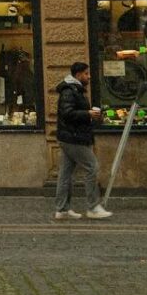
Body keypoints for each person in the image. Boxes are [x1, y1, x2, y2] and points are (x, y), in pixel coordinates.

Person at [53, 60, 108, 220]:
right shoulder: (69, 91)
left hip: (70, 136)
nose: (89, 76)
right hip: (73, 137)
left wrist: (88, 114)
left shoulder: (75, 89)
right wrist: (88, 114)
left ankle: (62, 209)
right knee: (92, 167)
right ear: (78, 75)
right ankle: (93, 207)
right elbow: (67, 113)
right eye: (86, 73)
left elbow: (71, 112)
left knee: (66, 174)